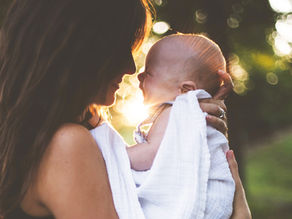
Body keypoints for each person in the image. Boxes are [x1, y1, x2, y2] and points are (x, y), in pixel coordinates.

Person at [0, 1, 251, 219]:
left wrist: (189, 119)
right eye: (121, 49)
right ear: (81, 49)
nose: (131, 68)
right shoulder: (68, 144)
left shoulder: (27, 137)